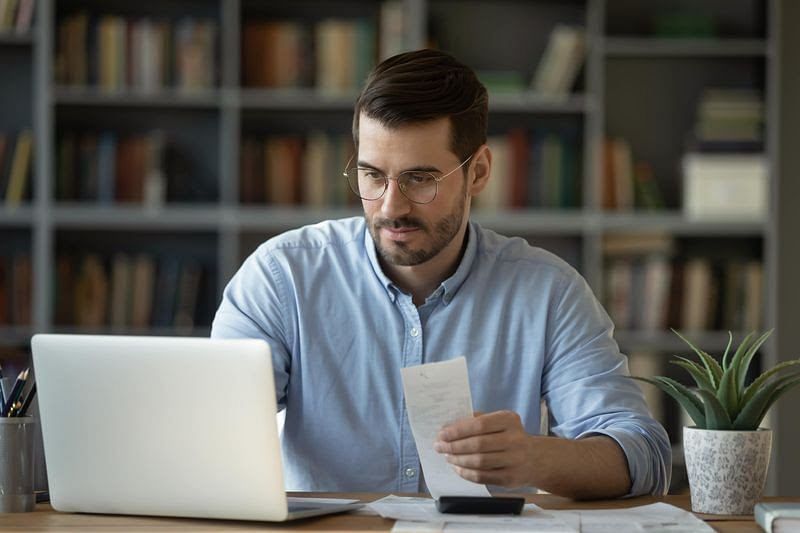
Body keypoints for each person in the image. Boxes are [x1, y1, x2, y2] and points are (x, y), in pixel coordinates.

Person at [211, 49, 671, 499]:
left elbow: (645, 456)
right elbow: (209, 428)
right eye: (373, 176)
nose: (391, 207)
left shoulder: (548, 291)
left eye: (419, 179)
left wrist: (535, 458)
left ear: (479, 172)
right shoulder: (282, 276)